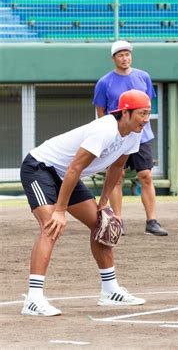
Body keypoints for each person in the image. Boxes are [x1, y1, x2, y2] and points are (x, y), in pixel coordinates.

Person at [20, 89, 151, 316]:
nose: (146, 119)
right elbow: (75, 167)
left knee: (100, 224)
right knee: (51, 226)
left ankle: (110, 291)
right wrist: (60, 210)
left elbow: (117, 167)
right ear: (126, 112)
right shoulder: (105, 129)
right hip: (40, 168)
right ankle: (33, 299)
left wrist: (103, 201)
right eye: (142, 113)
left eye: (148, 113)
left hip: (67, 175)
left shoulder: (134, 132)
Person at [93, 40, 168, 237]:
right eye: (120, 55)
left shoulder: (143, 77)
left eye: (127, 54)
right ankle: (118, 221)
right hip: (117, 137)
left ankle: (151, 222)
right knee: (116, 178)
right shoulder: (104, 82)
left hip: (141, 136)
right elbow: (101, 111)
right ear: (113, 58)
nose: (124, 58)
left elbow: (146, 104)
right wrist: (108, 136)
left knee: (146, 176)